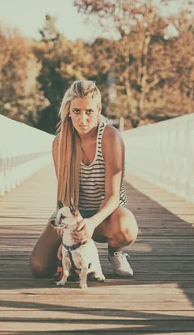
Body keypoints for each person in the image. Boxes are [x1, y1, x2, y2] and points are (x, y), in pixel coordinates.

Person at [30, 80, 138, 279]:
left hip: (106, 216)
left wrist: (91, 223)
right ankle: (73, 259)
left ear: (98, 110)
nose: (83, 119)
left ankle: (114, 253)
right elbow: (63, 197)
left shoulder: (110, 137)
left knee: (126, 227)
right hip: (74, 214)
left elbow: (113, 196)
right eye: (77, 111)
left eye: (89, 111)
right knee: (39, 266)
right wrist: (67, 234)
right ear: (68, 111)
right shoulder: (60, 143)